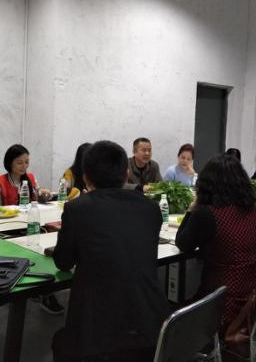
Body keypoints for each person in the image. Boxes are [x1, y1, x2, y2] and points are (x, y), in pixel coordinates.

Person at [52, 141, 169, 362]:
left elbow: (64, 262)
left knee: (60, 341)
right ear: (126, 175)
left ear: (86, 177)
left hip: (97, 335)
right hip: (153, 330)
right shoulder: (151, 209)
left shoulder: (77, 208)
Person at [175, 154, 256, 331]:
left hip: (222, 301)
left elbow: (183, 243)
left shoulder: (207, 213)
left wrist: (191, 209)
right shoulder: (252, 209)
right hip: (255, 295)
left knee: (171, 309)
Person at [0, 144, 62, 314]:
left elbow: (36, 201)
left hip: (29, 226)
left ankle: (44, 290)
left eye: (27, 162)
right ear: (10, 163)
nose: (24, 166)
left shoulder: (30, 179)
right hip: (7, 230)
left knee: (45, 248)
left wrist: (44, 194)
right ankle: (39, 291)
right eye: (19, 162)